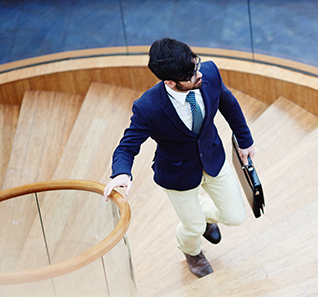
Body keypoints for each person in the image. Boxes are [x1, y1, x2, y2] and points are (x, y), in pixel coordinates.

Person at [104, 38, 255, 278]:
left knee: (236, 217)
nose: (199, 75)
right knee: (192, 226)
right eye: (191, 75)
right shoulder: (147, 108)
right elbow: (126, 146)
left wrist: (245, 140)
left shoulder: (209, 73)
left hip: (214, 159)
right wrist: (121, 172)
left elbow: (229, 104)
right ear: (170, 82)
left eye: (196, 65)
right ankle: (191, 252)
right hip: (178, 174)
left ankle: (201, 214)